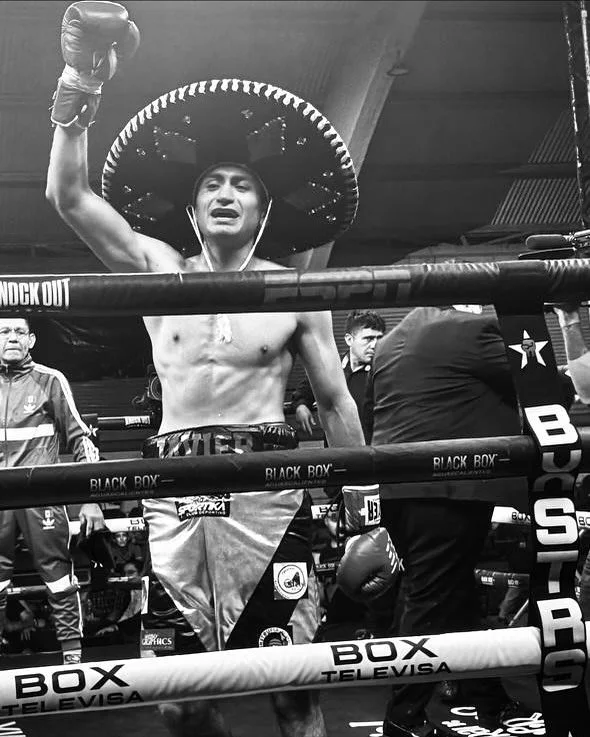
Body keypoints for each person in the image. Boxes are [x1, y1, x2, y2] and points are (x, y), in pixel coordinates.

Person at [45, 3, 396, 735]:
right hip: (173, 493)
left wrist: (369, 508)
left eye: (241, 184)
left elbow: (335, 401)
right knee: (178, 697)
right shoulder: (156, 268)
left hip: (268, 492)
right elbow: (69, 197)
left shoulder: (298, 293)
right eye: (213, 184)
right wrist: (81, 85)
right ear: (195, 206)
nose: (226, 192)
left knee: (295, 688)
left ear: (264, 211)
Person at [367, 305, 529, 737]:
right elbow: (539, 384)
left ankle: (490, 700)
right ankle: (403, 719)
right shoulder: (473, 330)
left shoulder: (388, 342)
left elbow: (372, 411)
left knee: (451, 595)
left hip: (398, 488)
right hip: (449, 488)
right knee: (430, 596)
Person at [0, 315, 105, 665]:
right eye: (4, 331)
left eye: (19, 332)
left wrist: (92, 500)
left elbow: (81, 438)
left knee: (58, 578)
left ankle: (73, 659)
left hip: (40, 496)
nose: (11, 337)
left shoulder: (50, 380)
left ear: (31, 340)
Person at [292, 309, 386, 440]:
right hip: (337, 452)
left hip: (374, 451)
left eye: (379, 339)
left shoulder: (385, 371)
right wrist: (301, 406)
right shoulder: (331, 368)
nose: (374, 345)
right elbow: (303, 392)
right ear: (349, 339)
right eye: (368, 339)